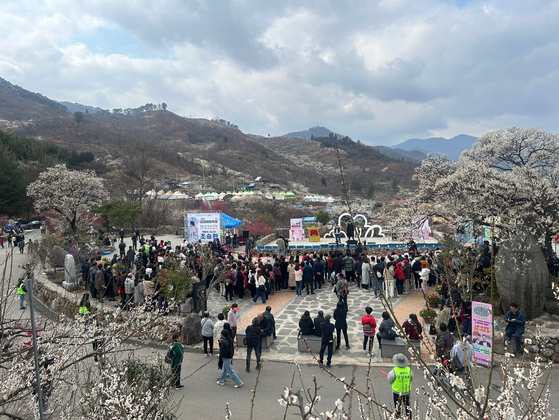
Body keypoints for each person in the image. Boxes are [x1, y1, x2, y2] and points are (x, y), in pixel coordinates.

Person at [387, 353, 413, 418]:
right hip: (407, 391)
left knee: (397, 406)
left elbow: (390, 379)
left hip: (397, 392)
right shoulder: (408, 370)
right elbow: (411, 378)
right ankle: (409, 417)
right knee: (407, 406)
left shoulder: (394, 370)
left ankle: (398, 417)